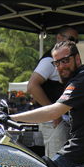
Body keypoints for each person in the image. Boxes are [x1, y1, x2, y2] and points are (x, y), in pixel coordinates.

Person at [12, 41, 84, 167]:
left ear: (77, 58)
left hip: (82, 150)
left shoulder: (82, 81)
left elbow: (54, 112)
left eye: (65, 61)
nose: (61, 66)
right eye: (57, 63)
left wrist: (12, 118)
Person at [27, 26, 79, 158]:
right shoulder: (49, 60)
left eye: (76, 41)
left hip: (61, 120)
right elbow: (32, 86)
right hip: (54, 123)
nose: (74, 44)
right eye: (71, 39)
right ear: (59, 38)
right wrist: (54, 113)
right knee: (56, 163)